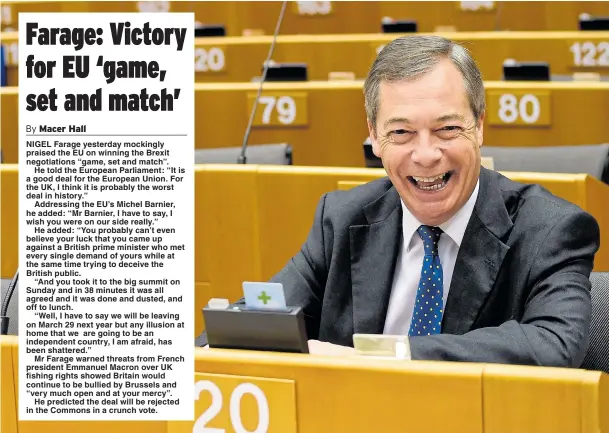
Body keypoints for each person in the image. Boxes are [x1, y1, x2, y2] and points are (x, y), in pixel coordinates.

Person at [202, 35, 600, 367]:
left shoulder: (550, 229)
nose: (425, 155)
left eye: (446, 129)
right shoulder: (341, 220)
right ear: (374, 135)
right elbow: (256, 326)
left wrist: (385, 355)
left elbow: (553, 344)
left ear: (479, 126)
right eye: (402, 133)